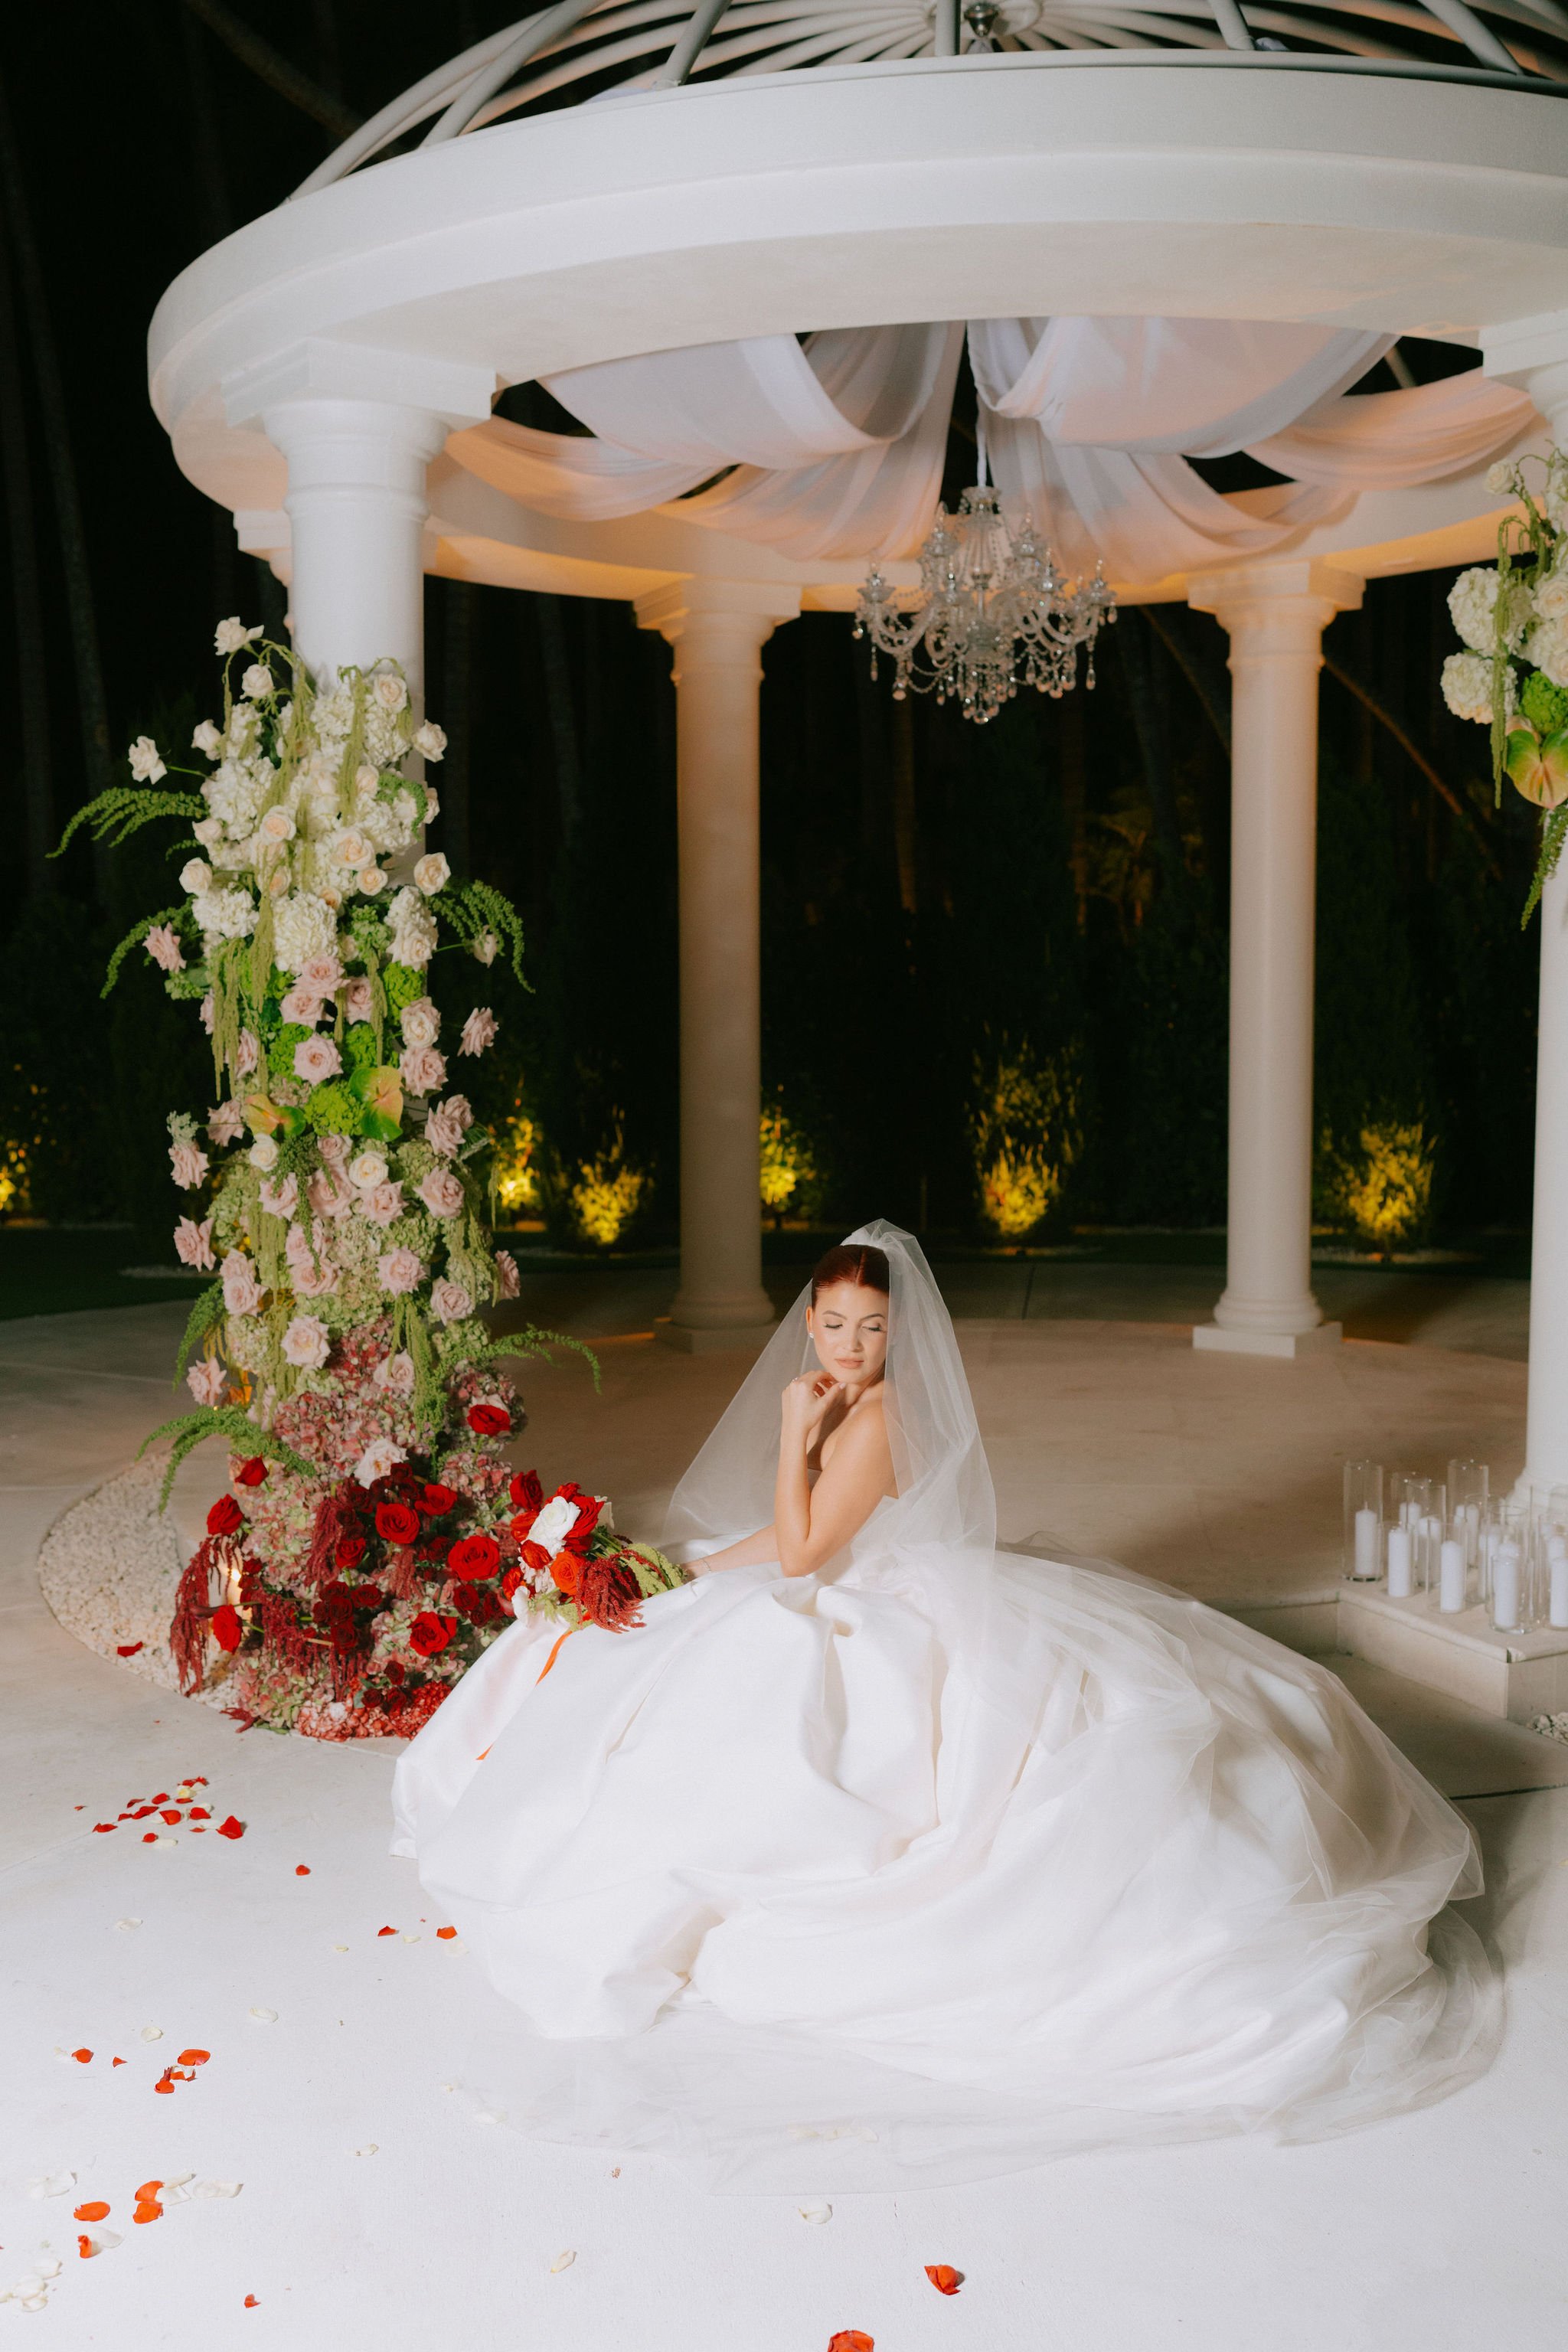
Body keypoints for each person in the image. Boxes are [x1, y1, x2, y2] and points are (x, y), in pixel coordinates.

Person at [391, 1221, 1494, 2192]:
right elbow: (782, 1543)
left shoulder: (867, 1421)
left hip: (864, 1591)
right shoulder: (836, 1394)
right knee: (668, 1629)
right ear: (810, 1320)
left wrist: (790, 1432)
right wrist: (676, 1570)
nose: (846, 1348)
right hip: (838, 1573)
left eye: (868, 1331)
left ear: (896, 1335)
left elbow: (814, 1551)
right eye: (830, 1324)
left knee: (764, 1684)